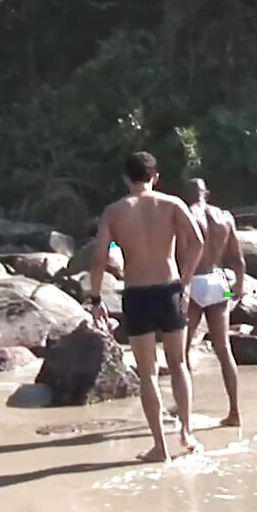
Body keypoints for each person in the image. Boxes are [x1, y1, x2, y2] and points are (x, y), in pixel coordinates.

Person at [90, 151, 205, 463]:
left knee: (148, 373)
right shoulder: (172, 204)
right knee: (179, 364)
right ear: (156, 177)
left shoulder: (114, 212)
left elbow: (100, 257)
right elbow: (197, 242)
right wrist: (186, 281)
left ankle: (160, 447)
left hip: (137, 293)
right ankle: (186, 432)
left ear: (126, 178)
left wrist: (96, 298)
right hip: (169, 290)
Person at [181, 178, 246, 427]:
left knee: (183, 350)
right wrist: (238, 285)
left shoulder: (184, 215)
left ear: (186, 194)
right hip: (219, 281)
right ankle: (234, 412)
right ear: (206, 193)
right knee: (224, 349)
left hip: (193, 281)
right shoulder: (225, 217)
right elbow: (237, 258)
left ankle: (184, 407)